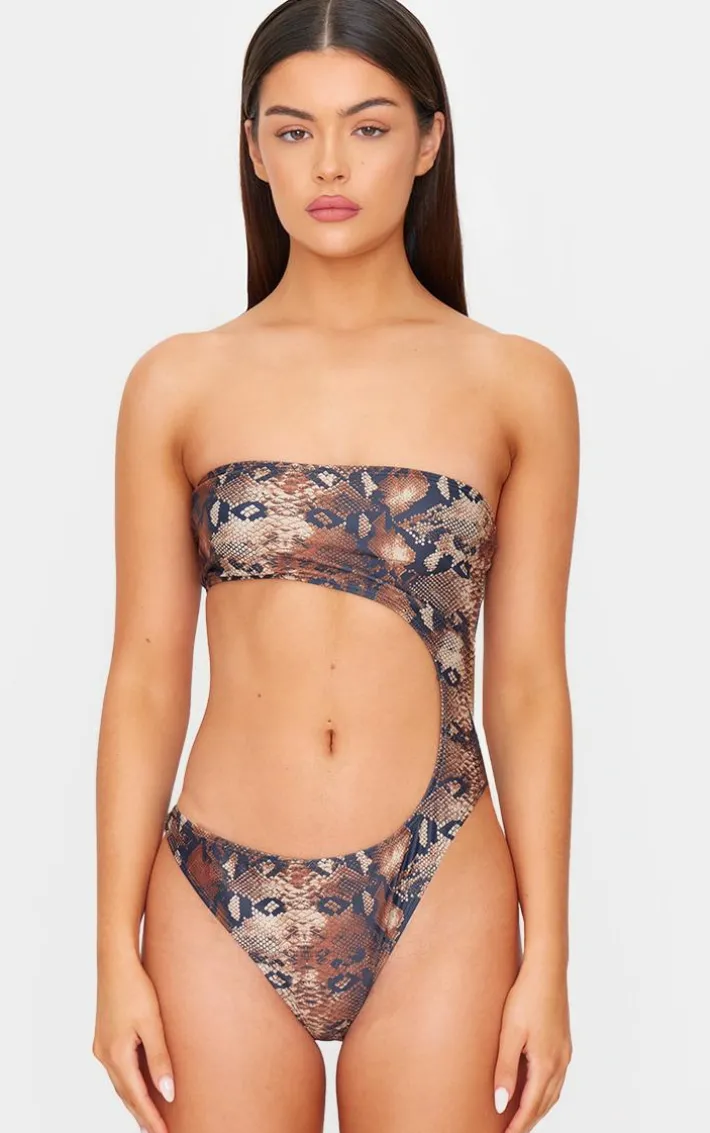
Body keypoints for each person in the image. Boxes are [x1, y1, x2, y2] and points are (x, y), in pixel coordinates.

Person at [92, 1, 578, 1130]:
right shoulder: (177, 382)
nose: (328, 164)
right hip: (215, 888)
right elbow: (145, 677)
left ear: (429, 139)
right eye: (292, 129)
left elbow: (526, 686)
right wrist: (113, 948)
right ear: (253, 148)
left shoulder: (517, 384)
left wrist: (547, 956)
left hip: (439, 878)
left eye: (366, 127)